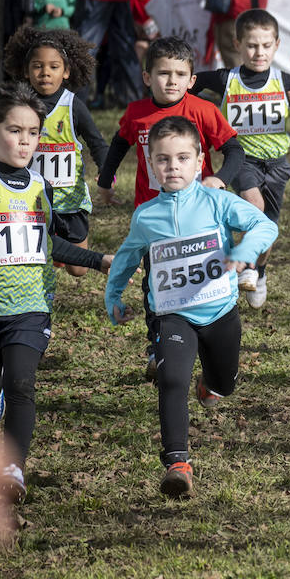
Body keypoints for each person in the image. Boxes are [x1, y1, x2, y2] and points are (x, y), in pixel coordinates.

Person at [104, 117, 277, 498]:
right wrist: (113, 295)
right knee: (170, 381)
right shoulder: (146, 216)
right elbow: (127, 257)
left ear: (200, 161)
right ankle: (177, 464)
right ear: (150, 164)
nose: (173, 166)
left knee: (225, 384)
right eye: (163, 159)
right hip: (173, 315)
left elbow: (265, 227)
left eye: (183, 158)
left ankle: (211, 383)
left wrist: (245, 251)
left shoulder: (216, 201)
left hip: (219, 312)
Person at [0, 83, 110, 502]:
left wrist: (99, 260)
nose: (25, 141)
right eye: (14, 131)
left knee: (22, 384)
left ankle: (13, 469)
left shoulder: (39, 186)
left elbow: (51, 244)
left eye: (33, 132)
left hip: (29, 309)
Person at [95, 37, 245, 376]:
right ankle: (158, 346)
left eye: (180, 74)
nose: (172, 81)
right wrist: (105, 183)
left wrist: (220, 178)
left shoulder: (204, 111)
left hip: (200, 217)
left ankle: (210, 341)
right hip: (155, 217)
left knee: (203, 280)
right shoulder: (136, 113)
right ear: (147, 77)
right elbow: (118, 146)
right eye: (163, 73)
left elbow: (235, 150)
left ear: (192, 80)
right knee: (156, 284)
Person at [192, 9, 290, 308]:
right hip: (242, 158)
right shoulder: (227, 79)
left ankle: (259, 268)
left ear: (277, 45)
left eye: (266, 45)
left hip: (277, 165)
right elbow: (194, 81)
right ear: (238, 43)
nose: (259, 52)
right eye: (252, 45)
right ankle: (245, 263)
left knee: (269, 227)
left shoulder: (284, 80)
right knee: (255, 204)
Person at [0, 29, 107, 282]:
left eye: (53, 67)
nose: (45, 73)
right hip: (32, 198)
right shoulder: (19, 106)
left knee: (78, 269)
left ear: (65, 72)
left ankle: (59, 251)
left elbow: (97, 142)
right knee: (38, 260)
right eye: (37, 66)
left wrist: (106, 172)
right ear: (25, 71)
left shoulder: (73, 104)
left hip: (70, 200)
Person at [130, 0, 160, 65]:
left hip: (158, 38)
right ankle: (138, 80)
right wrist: (135, 24)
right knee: (139, 47)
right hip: (139, 38)